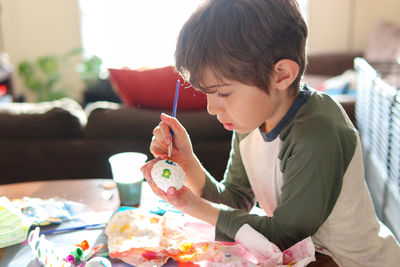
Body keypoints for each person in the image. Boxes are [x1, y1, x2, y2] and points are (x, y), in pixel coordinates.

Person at [140, 0, 400, 265]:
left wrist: (193, 206)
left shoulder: (318, 132)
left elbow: (284, 235)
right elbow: (235, 200)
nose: (211, 108)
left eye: (222, 93)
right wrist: (189, 165)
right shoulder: (252, 119)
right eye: (207, 93)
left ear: (282, 75)